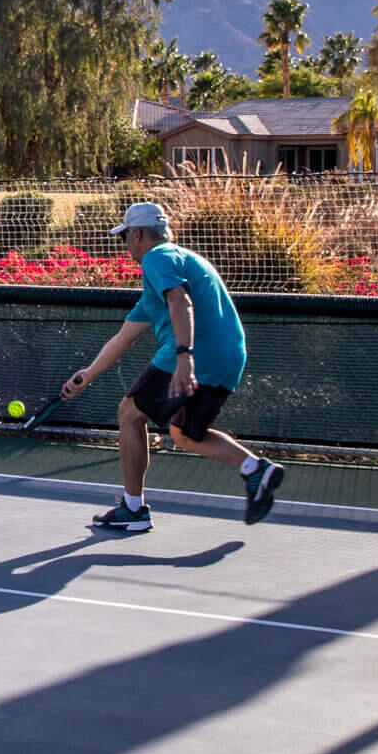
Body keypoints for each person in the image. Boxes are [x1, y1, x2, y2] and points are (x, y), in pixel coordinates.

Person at [61, 200, 285, 532]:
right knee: (184, 433)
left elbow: (181, 301)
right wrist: (88, 375)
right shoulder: (178, 263)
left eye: (125, 237)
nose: (125, 245)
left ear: (137, 234)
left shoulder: (157, 258)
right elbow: (126, 336)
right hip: (229, 357)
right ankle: (254, 468)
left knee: (129, 413)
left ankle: (133, 510)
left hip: (196, 354)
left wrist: (184, 357)